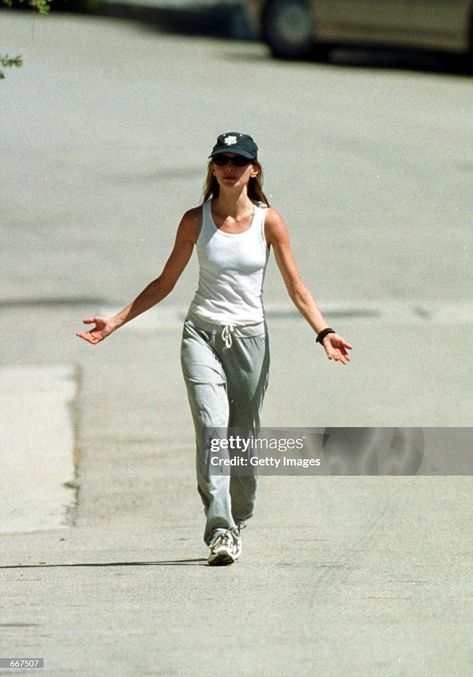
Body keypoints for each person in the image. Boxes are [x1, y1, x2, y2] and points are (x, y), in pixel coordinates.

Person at [76, 132, 352, 566]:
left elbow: (296, 286)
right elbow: (165, 282)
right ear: (211, 167)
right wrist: (116, 320)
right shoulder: (194, 220)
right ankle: (220, 528)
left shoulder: (269, 222)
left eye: (238, 161)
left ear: (253, 170)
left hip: (249, 340)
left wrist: (323, 331)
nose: (229, 167)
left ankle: (237, 516)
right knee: (212, 428)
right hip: (201, 334)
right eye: (221, 159)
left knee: (241, 437)